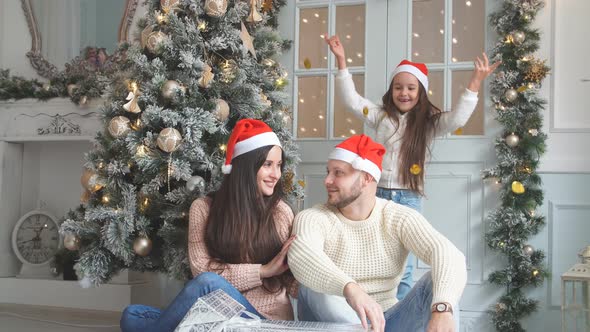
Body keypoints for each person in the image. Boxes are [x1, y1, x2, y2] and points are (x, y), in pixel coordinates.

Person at [324, 35, 499, 299]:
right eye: (398, 87)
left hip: (408, 198)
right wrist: (341, 62)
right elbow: (352, 100)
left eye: (410, 88)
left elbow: (458, 118)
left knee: (402, 265)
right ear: (391, 91)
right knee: (372, 256)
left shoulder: (429, 123)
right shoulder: (381, 116)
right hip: (377, 194)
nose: (403, 93)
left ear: (420, 93)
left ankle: (400, 314)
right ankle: (372, 306)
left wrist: (475, 82)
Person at [120, 119, 297, 332]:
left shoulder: (280, 212)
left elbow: (294, 283)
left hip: (264, 321)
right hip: (215, 316)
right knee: (132, 315)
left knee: (207, 283)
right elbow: (202, 268)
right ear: (245, 167)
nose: (276, 175)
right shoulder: (203, 208)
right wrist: (264, 271)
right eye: (267, 165)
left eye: (278, 165)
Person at [288, 134, 467, 332]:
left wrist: (442, 309)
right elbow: (303, 257)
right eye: (328, 172)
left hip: (386, 322)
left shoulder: (397, 217)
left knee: (441, 283)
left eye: (338, 173)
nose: (327, 180)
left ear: (367, 178)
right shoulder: (313, 218)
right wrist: (350, 289)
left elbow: (449, 254)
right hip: (334, 323)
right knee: (314, 286)